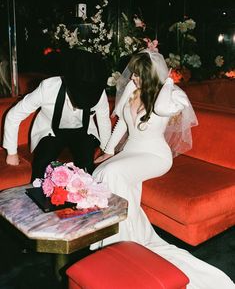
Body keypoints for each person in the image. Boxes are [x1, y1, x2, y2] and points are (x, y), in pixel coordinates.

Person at [91, 49, 235, 288]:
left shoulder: (169, 94)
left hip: (154, 156)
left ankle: (119, 241)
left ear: (152, 75)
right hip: (130, 152)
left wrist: (167, 81)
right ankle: (122, 238)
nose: (133, 79)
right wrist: (108, 151)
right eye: (133, 74)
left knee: (111, 173)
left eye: (138, 75)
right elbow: (120, 125)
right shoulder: (130, 89)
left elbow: (164, 109)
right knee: (100, 173)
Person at [3, 49, 112, 179]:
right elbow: (14, 115)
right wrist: (12, 152)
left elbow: (103, 120)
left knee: (87, 166)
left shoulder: (97, 92)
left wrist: (107, 150)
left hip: (83, 131)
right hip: (51, 131)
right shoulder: (48, 88)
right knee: (41, 164)